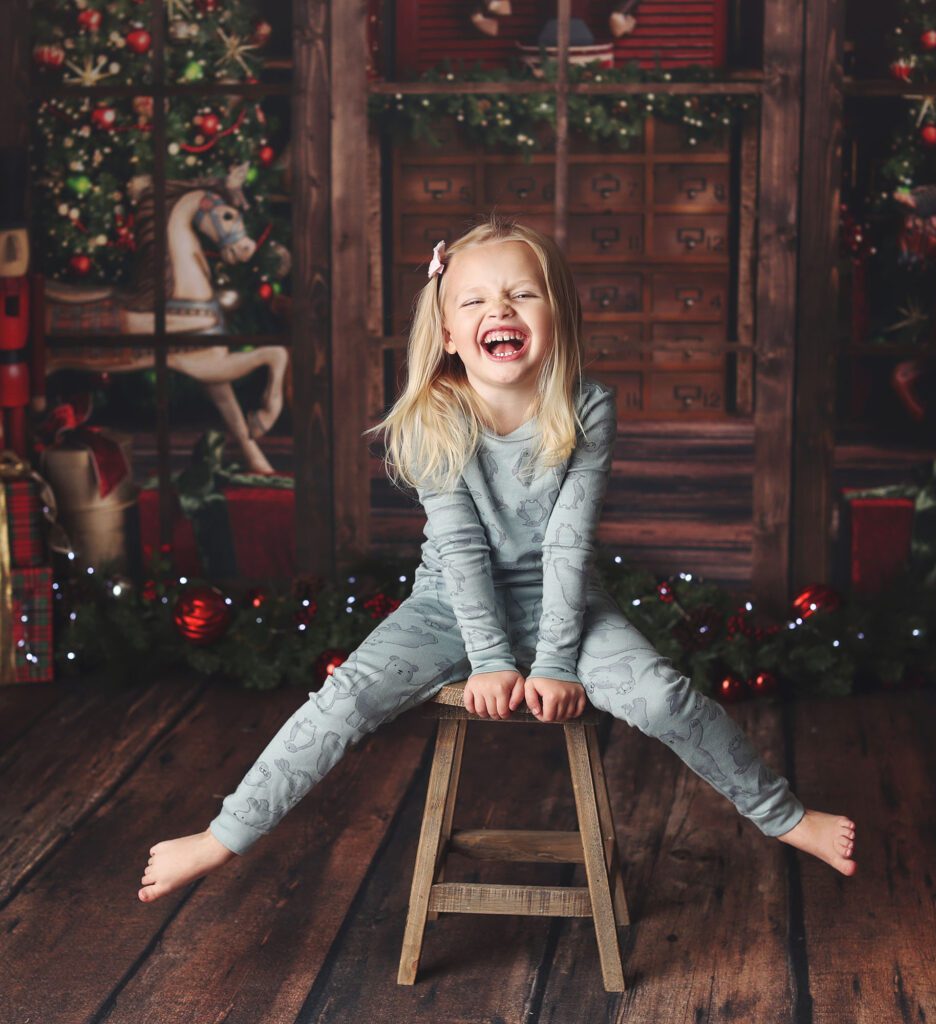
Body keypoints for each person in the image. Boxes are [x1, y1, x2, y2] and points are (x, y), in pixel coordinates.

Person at [138, 216, 855, 903]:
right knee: (348, 696)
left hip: (564, 600)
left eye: (522, 293)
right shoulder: (429, 417)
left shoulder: (587, 408)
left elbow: (571, 541)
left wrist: (554, 660)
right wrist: (487, 659)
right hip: (448, 604)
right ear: (449, 332)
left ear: (557, 316)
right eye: (475, 298)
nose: (499, 308)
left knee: (663, 696)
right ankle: (220, 836)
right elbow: (462, 549)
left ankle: (786, 818)